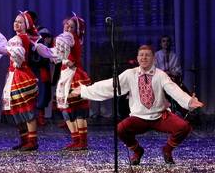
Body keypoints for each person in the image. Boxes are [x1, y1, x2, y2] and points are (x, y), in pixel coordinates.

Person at [70, 45, 204, 164]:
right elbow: (110, 85)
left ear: (154, 59)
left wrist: (188, 101)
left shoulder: (161, 75)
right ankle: (137, 151)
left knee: (184, 127)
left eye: (147, 55)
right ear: (137, 58)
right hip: (139, 117)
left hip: (160, 116)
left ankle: (167, 150)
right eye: (141, 55)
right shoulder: (130, 74)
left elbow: (173, 89)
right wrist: (84, 90)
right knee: (120, 129)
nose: (144, 58)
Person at [0, 11, 55, 151]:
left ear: (26, 25)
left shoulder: (22, 38)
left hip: (21, 75)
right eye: (15, 21)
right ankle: (25, 140)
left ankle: (32, 141)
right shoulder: (21, 38)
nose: (16, 24)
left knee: (26, 110)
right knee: (17, 110)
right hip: (14, 75)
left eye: (20, 22)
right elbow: (3, 50)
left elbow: (17, 55)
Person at [52, 14, 92, 150]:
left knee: (78, 109)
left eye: (71, 27)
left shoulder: (70, 37)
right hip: (65, 75)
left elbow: (62, 43)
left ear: (76, 29)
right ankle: (76, 140)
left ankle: (82, 142)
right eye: (66, 25)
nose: (68, 28)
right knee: (66, 109)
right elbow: (57, 54)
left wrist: (62, 57)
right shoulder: (66, 37)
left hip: (74, 75)